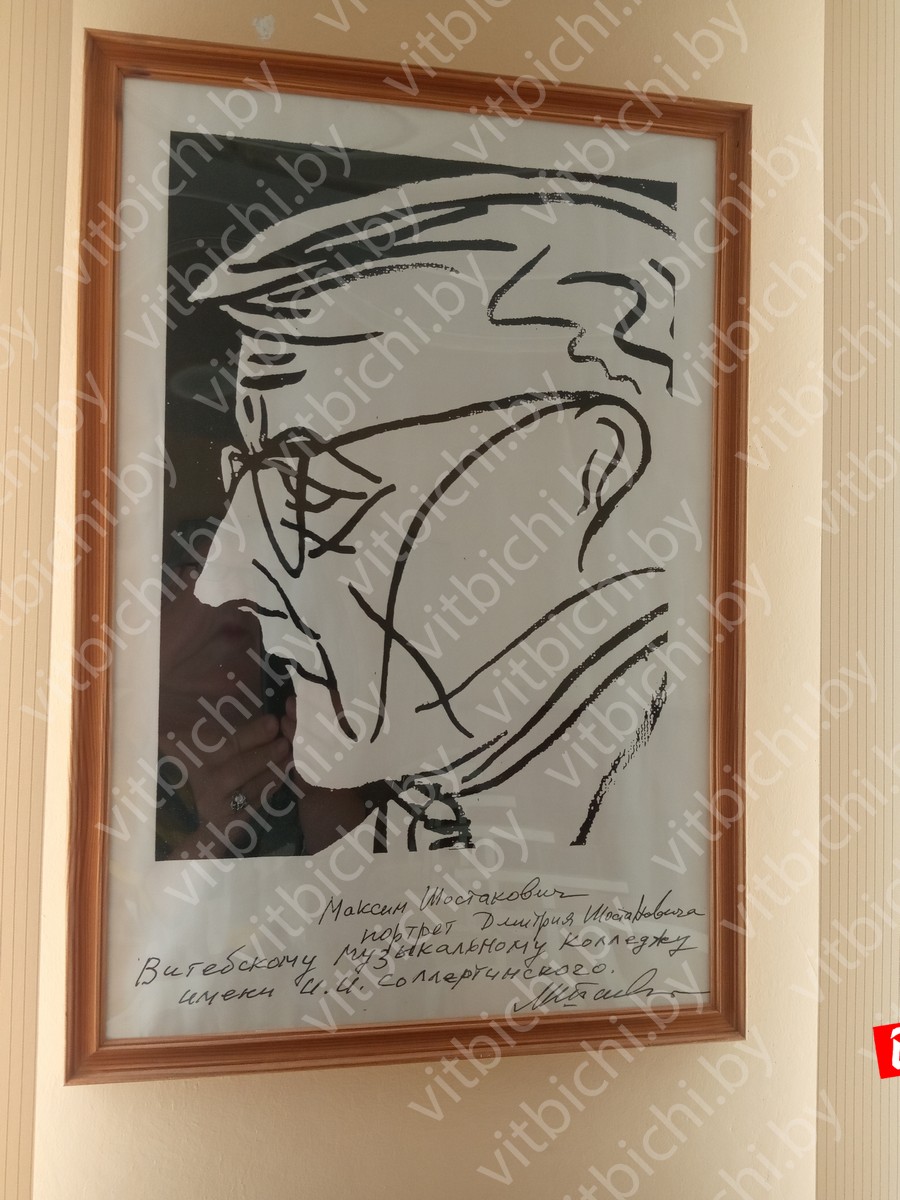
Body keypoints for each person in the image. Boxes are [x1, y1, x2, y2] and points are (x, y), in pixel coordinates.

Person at [187, 167, 679, 853]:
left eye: (317, 495)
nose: (223, 583)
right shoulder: (415, 814)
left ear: (592, 466)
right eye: (249, 490)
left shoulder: (685, 804)